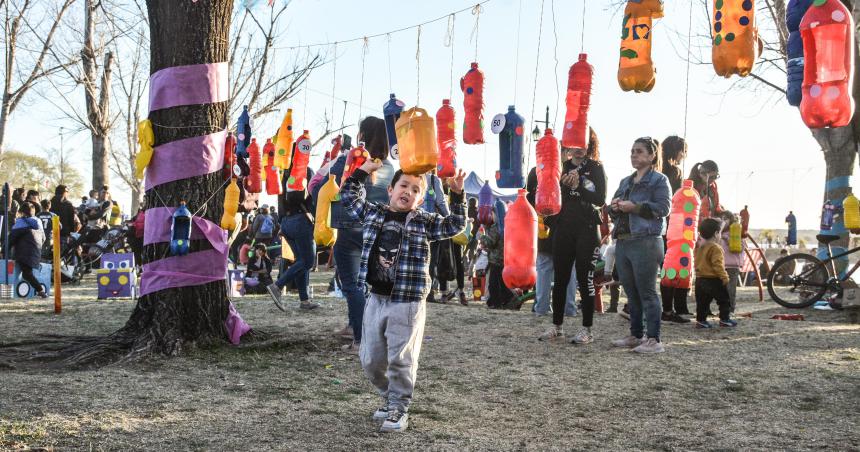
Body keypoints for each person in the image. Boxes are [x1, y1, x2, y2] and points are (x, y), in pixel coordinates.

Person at [341, 157, 466, 434]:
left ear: (420, 199)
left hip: (407, 302)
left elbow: (455, 225)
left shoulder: (425, 222)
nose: (407, 192)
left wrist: (457, 193)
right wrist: (362, 171)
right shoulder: (374, 214)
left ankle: (399, 406)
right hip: (376, 298)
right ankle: (388, 396)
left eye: (415, 189)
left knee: (401, 358)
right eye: (403, 185)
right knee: (371, 359)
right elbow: (348, 197)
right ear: (390, 189)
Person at [329, 116, 394, 351]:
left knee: (352, 285)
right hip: (374, 229)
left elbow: (333, 180)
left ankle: (360, 338)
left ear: (362, 136)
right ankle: (354, 326)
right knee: (363, 285)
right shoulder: (388, 167)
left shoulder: (356, 160)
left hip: (349, 226)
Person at [539, 128, 607, 344]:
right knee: (560, 280)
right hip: (563, 229)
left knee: (585, 279)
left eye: (583, 145)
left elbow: (600, 199)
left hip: (587, 228)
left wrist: (579, 186)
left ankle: (587, 330)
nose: (578, 150)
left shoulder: (596, 167)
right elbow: (550, 197)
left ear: (590, 145)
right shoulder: (561, 167)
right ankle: (557, 326)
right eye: (574, 145)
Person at [609, 137, 671, 354]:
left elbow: (663, 208)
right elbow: (611, 209)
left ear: (652, 155)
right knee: (631, 292)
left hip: (646, 240)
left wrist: (634, 207)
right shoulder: (626, 181)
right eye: (632, 151)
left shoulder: (659, 180)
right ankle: (636, 334)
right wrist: (615, 207)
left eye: (639, 151)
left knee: (647, 292)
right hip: (624, 240)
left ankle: (654, 339)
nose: (634, 155)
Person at [267, 157, 319, 312]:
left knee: (301, 261)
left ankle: (304, 301)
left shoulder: (282, 173)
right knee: (308, 262)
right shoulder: (306, 171)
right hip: (301, 220)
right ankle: (277, 286)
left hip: (286, 222)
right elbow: (315, 193)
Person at [526, 166, 577, 317]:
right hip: (565, 232)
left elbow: (528, 195)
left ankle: (541, 308)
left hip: (544, 233)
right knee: (568, 273)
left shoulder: (536, 170)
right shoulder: (566, 171)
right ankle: (569, 309)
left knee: (544, 272)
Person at [694, 218, 738, 328]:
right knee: (724, 300)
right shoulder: (716, 248)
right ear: (716, 233)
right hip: (713, 279)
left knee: (702, 303)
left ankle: (701, 321)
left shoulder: (701, 247)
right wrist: (724, 277)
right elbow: (717, 265)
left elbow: (697, 261)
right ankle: (724, 319)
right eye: (719, 233)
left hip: (700, 279)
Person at [9, 203, 47, 298]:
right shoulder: (38, 221)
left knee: (26, 274)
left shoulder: (20, 222)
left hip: (23, 253)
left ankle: (40, 291)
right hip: (35, 251)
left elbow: (12, 238)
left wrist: (4, 250)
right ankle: (39, 290)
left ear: (22, 213)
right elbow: (44, 238)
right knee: (27, 272)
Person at [479, 212, 516, 309]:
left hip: (496, 259)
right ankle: (507, 299)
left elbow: (491, 242)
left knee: (494, 283)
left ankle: (498, 302)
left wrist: (482, 236)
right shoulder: (503, 225)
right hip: (502, 258)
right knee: (501, 282)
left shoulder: (495, 227)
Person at [719, 211, 743, 313]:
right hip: (721, 266)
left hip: (732, 266)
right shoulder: (719, 233)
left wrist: (727, 239)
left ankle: (730, 308)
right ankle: (723, 309)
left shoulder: (735, 232)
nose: (723, 221)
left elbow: (740, 248)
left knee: (730, 289)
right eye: (721, 219)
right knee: (721, 290)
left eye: (725, 219)